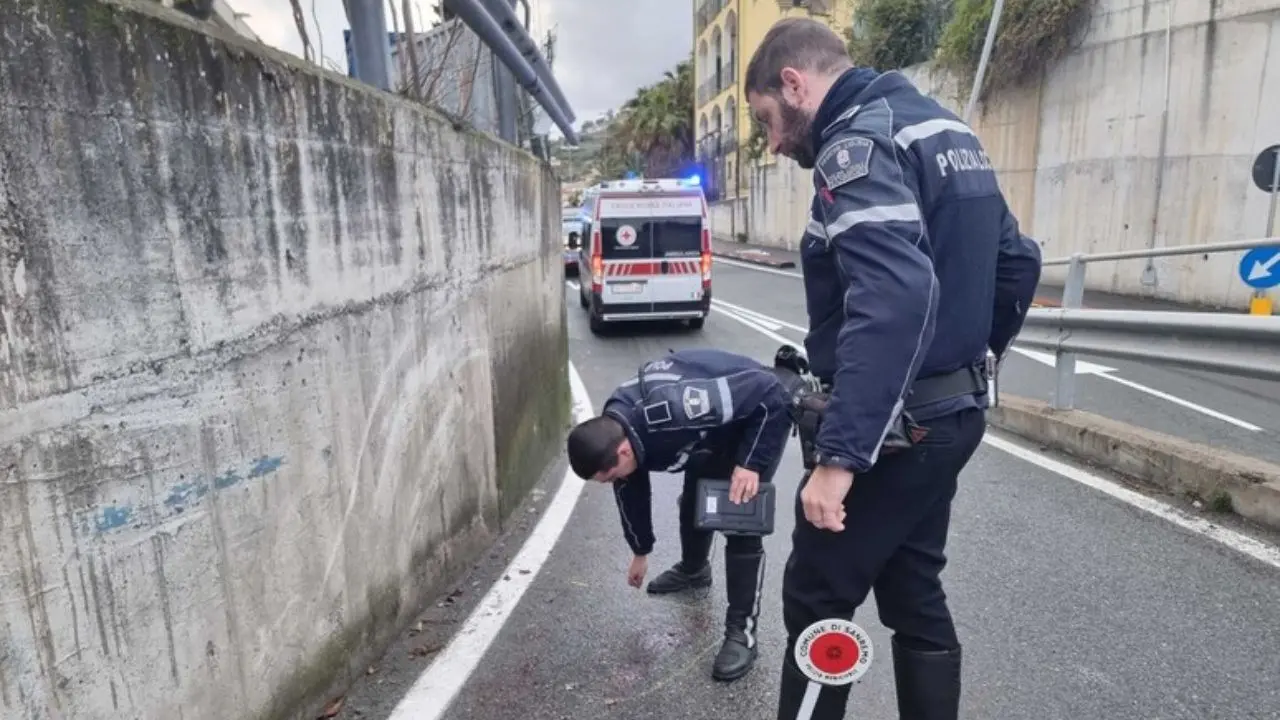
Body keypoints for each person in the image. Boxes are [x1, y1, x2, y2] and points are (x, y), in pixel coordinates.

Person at [742, 18, 1043, 720]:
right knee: (913, 587)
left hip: (894, 431)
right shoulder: (946, 131)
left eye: (768, 120)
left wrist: (842, 456)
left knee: (818, 596)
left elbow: (894, 297)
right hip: (951, 415)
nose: (776, 141)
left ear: (795, 83)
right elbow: (1018, 263)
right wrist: (966, 365)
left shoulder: (854, 143)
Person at [566, 348, 798, 682]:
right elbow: (629, 488)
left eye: (609, 476)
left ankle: (741, 634)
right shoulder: (616, 425)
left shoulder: (679, 407)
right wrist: (640, 551)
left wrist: (750, 464)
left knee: (740, 522)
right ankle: (694, 571)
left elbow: (769, 394)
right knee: (695, 500)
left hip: (758, 418)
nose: (611, 483)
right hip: (710, 435)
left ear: (623, 451)